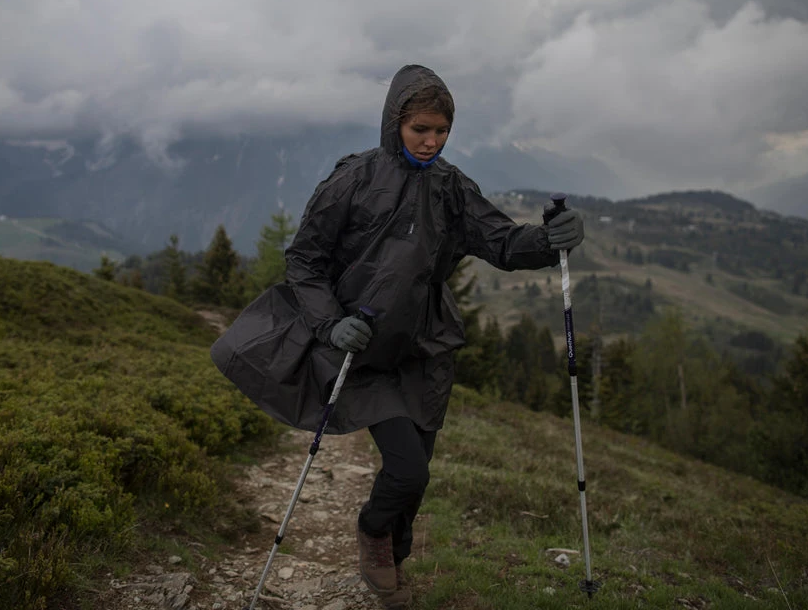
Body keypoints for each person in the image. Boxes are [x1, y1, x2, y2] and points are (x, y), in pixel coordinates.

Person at [211, 64, 584, 607]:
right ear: (395, 124)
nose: (431, 141)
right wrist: (330, 323)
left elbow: (501, 241)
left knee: (418, 472)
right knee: (408, 470)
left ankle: (394, 558)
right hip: (362, 348)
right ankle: (372, 531)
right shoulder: (353, 180)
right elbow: (304, 260)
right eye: (420, 129)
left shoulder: (451, 186)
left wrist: (549, 241)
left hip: (424, 345)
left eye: (441, 131)